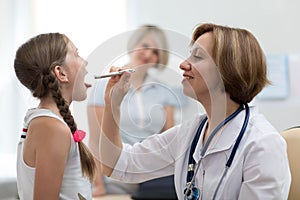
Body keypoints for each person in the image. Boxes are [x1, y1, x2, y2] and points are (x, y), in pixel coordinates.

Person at [99, 23, 291, 199]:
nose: (183, 64)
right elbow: (116, 164)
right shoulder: (191, 133)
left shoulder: (263, 144)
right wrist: (113, 104)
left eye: (197, 56)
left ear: (227, 68)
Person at [87, 25, 179, 197]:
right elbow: (96, 139)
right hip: (114, 175)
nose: (149, 54)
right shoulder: (103, 88)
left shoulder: (165, 92)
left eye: (156, 52)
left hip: (152, 176)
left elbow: (170, 141)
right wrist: (98, 184)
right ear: (133, 45)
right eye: (145, 46)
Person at [14, 33, 96, 199]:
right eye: (77, 54)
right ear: (61, 73)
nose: (85, 63)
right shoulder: (52, 127)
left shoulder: (47, 122)